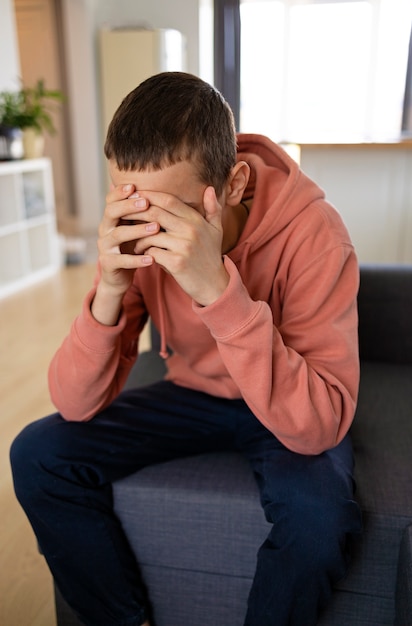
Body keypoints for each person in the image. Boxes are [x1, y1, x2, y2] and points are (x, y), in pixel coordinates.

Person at [10, 71, 362, 626]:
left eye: (171, 214)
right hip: (195, 395)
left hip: (289, 399)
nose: (150, 230)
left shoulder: (315, 235)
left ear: (234, 183)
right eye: (132, 207)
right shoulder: (137, 240)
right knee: (37, 452)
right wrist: (110, 288)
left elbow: (322, 421)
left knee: (319, 522)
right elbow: (75, 404)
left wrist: (218, 292)